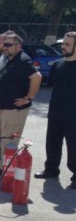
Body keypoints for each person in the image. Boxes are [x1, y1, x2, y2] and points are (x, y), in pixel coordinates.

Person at [0, 33, 42, 174]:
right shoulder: (8, 58)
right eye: (4, 44)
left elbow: (37, 77)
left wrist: (28, 98)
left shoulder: (23, 60)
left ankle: (5, 168)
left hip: (13, 110)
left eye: (8, 45)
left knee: (8, 141)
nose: (5, 47)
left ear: (18, 46)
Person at [34, 32, 76, 189]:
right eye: (63, 44)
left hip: (74, 115)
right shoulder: (58, 65)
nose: (63, 47)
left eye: (67, 44)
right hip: (56, 111)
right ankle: (51, 169)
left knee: (74, 146)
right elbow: (52, 86)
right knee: (52, 143)